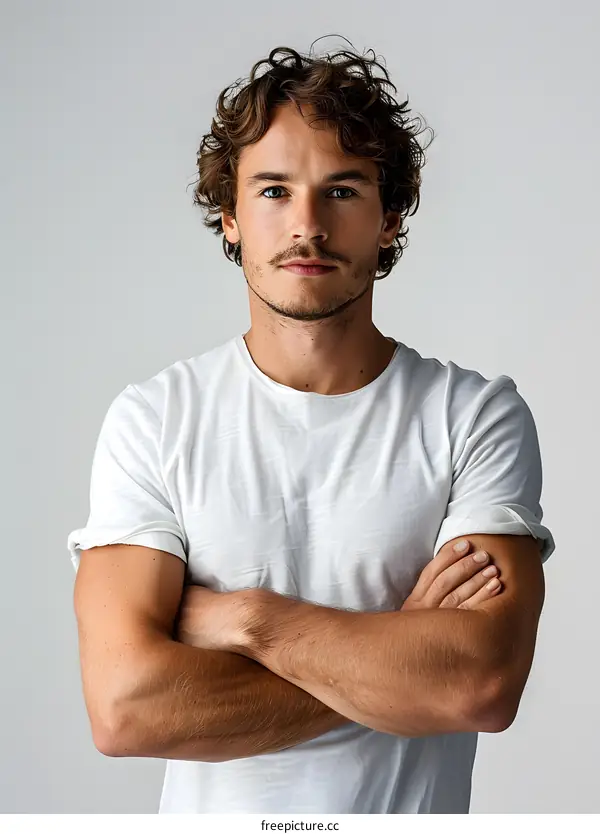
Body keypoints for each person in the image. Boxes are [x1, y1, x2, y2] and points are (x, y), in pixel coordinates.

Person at [67, 41, 555, 814]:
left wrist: (248, 620)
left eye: (343, 190)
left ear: (389, 219)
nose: (307, 225)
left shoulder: (473, 415)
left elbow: (480, 686)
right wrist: (400, 647)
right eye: (271, 191)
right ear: (229, 217)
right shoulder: (154, 420)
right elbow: (127, 709)